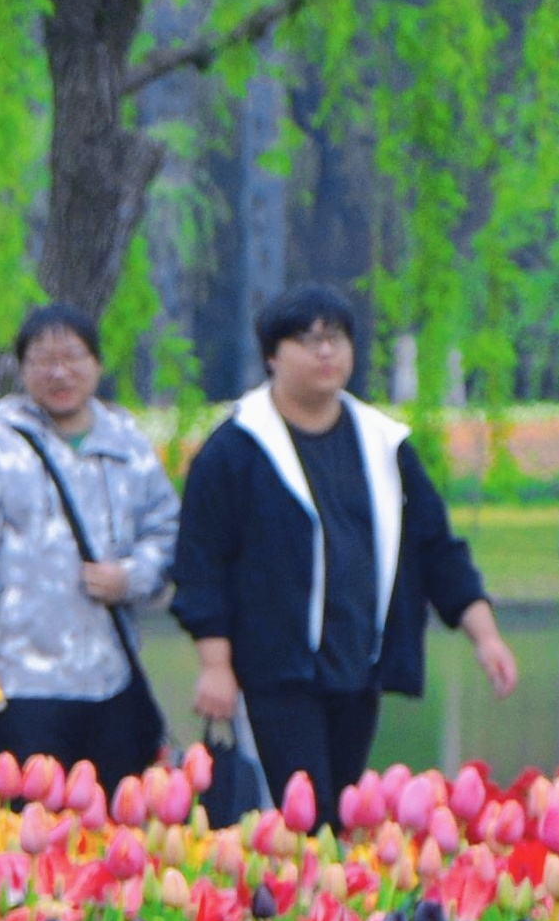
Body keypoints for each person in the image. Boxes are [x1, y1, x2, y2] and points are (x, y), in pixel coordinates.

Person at [171, 284, 519, 827]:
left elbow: (436, 547)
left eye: (336, 339)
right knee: (296, 821)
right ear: (272, 355)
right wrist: (215, 665)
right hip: (273, 673)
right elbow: (201, 562)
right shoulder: (236, 448)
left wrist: (486, 635)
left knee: (341, 818)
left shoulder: (384, 443)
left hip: (357, 666)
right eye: (307, 341)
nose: (325, 353)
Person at [0, 302, 181, 790]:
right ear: (23, 369)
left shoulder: (127, 445)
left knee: (117, 820)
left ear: (97, 364)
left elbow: (167, 530)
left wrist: (131, 577)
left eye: (73, 358)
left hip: (112, 674)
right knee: (33, 821)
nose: (59, 372)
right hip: (21, 677)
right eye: (43, 360)